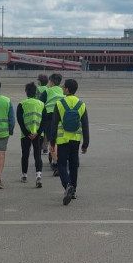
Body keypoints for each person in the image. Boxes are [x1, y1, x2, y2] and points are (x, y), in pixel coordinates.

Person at [47, 78, 89, 206]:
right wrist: (85, 143)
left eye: (64, 87)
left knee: (61, 164)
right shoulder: (81, 104)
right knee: (73, 164)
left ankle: (67, 186)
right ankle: (74, 190)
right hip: (76, 139)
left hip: (62, 139)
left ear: (67, 89)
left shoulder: (59, 104)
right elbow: (85, 125)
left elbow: (53, 125)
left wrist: (52, 142)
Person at [17, 82, 45, 187]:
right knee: (37, 155)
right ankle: (38, 176)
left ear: (26, 92)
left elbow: (20, 121)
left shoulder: (22, 104)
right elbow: (44, 120)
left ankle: (24, 175)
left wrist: (27, 133)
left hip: (25, 135)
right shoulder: (41, 104)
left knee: (25, 154)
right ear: (36, 92)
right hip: (38, 134)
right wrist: (37, 132)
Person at [40, 73, 64, 176]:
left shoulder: (47, 91)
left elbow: (40, 103)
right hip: (62, 118)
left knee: (52, 141)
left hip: (50, 118)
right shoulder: (63, 91)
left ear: (52, 82)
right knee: (61, 140)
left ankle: (55, 163)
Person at [36, 74, 50, 155]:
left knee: (38, 129)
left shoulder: (37, 89)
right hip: (47, 110)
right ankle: (45, 148)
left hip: (38, 110)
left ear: (40, 81)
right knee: (46, 130)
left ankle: (39, 146)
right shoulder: (48, 89)